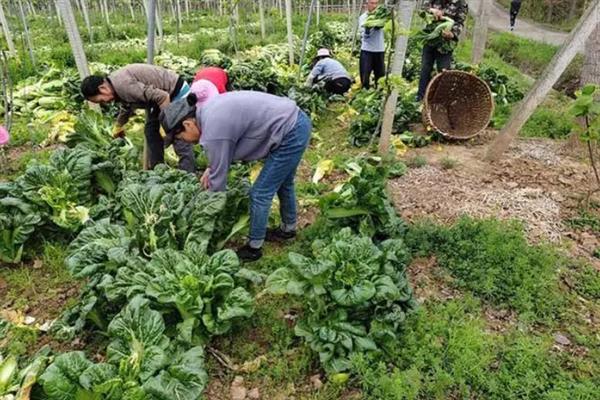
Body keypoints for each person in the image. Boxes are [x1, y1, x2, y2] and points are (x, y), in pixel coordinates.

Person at [159, 91, 312, 262]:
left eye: (180, 137)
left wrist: (205, 217)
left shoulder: (213, 130)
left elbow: (218, 189)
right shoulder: (207, 112)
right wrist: (212, 168)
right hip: (295, 120)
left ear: (187, 124)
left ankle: (254, 248)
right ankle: (288, 230)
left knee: (260, 193)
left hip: (290, 131)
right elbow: (226, 143)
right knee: (284, 183)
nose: (184, 142)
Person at [80, 64, 196, 173]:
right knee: (151, 132)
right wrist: (119, 125)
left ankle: (187, 174)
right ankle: (158, 171)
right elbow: (126, 106)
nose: (104, 103)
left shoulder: (124, 85)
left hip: (176, 93)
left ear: (103, 88)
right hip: (158, 100)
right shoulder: (114, 86)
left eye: (100, 100)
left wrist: (166, 122)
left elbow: (162, 97)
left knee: (178, 134)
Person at [416, 0, 468, 101]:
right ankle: (420, 97)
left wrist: (452, 34)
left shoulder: (461, 3)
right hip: (430, 37)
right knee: (425, 68)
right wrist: (433, 10)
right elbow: (422, 8)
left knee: (443, 71)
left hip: (446, 43)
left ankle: (440, 100)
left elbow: (460, 22)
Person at [358, 0, 385, 90]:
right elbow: (364, 36)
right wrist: (368, 29)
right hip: (367, 50)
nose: (374, 6)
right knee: (365, 75)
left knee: (380, 76)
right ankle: (365, 92)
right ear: (367, 4)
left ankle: (379, 94)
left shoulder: (381, 16)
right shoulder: (363, 18)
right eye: (372, 3)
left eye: (376, 3)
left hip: (379, 49)